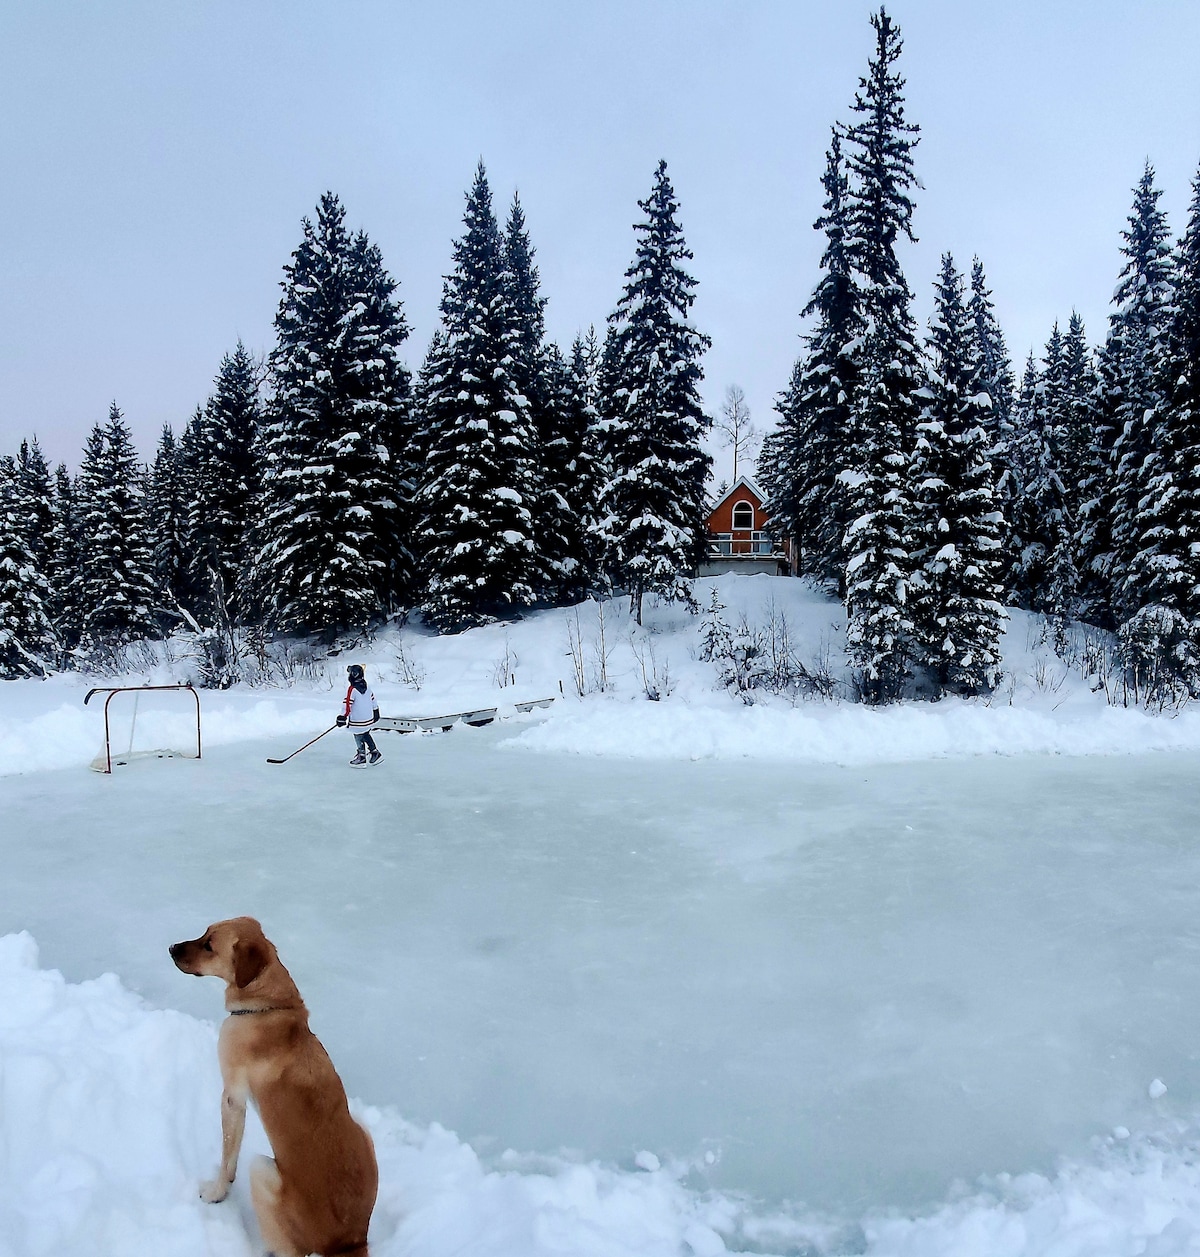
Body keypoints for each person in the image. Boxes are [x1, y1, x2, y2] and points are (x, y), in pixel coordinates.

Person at [336, 663, 382, 766]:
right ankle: (374, 751)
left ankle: (361, 756)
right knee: (365, 733)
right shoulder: (367, 686)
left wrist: (342, 717)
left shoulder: (352, 689)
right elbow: (373, 700)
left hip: (358, 720)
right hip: (368, 719)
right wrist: (376, 711)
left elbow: (347, 704)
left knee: (358, 734)